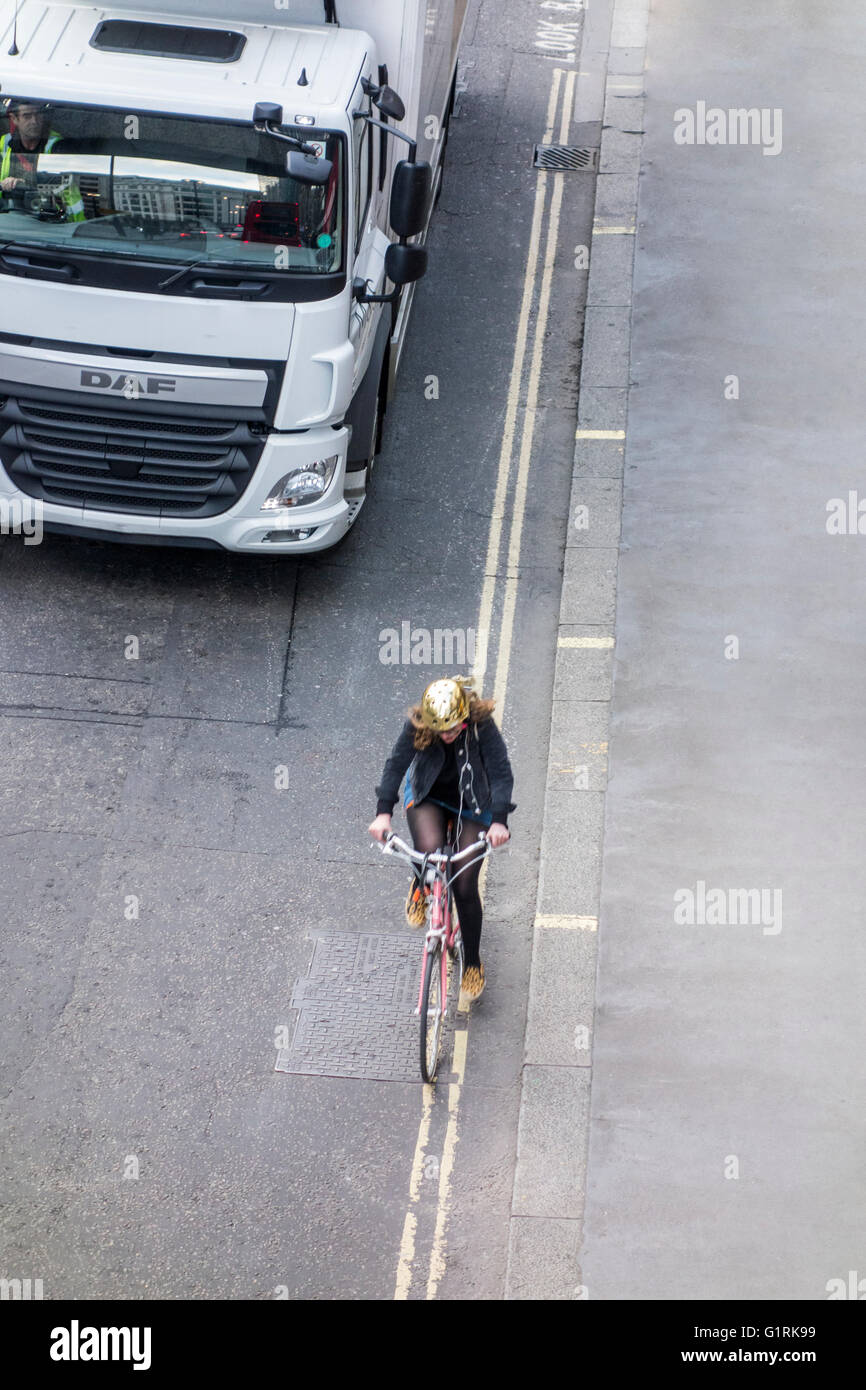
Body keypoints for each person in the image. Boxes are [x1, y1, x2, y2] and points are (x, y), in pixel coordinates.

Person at [369, 676, 515, 1001]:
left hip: (474, 803)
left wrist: (500, 822)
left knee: (463, 885)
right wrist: (383, 813)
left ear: (464, 715)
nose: (447, 736)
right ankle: (420, 883)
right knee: (427, 853)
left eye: (453, 728)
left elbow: (501, 771)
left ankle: (473, 963)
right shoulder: (418, 725)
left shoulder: (481, 725)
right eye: (441, 731)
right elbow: (395, 765)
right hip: (429, 795)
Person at [0, 99, 84, 219]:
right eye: (27, 116)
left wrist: (24, 185)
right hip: (10, 221)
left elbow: (64, 191)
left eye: (38, 114)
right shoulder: (4, 143)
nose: (34, 121)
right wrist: (4, 185)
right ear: (14, 119)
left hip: (50, 224)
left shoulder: (58, 147)